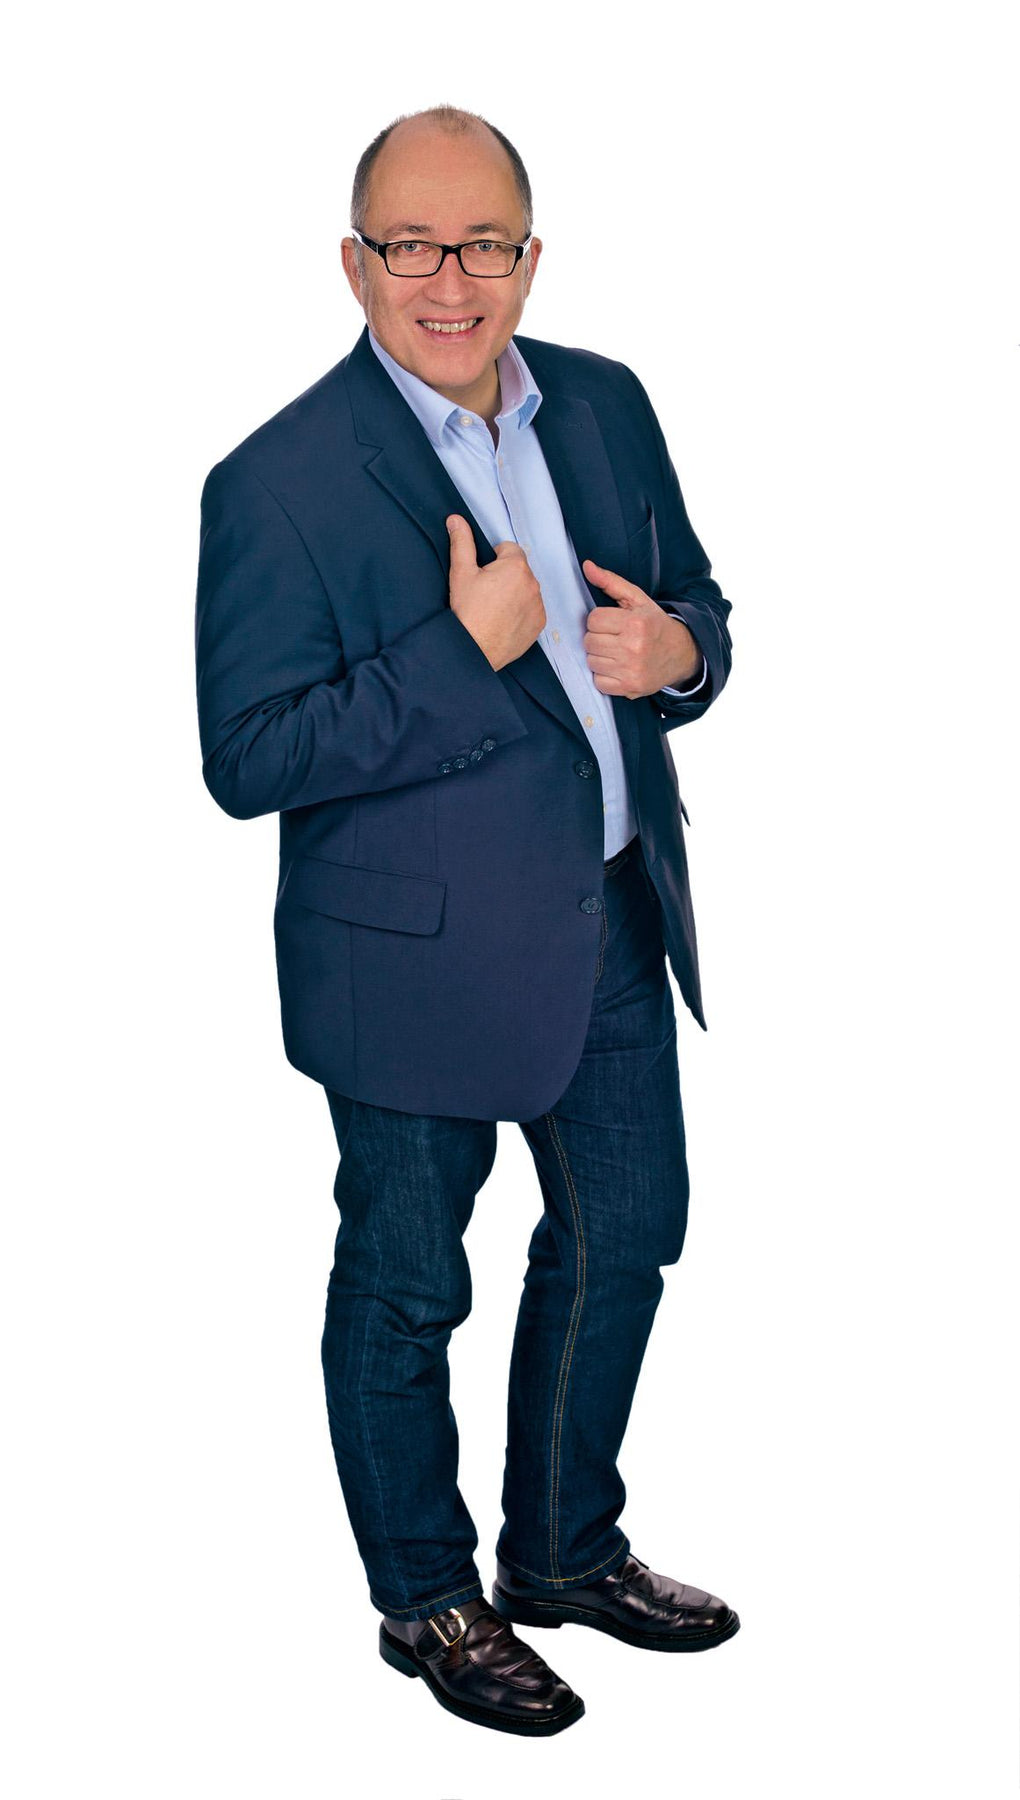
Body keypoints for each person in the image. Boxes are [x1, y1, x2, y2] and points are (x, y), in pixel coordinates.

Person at [194, 104, 738, 1738]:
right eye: (413, 246)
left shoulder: (607, 403)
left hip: (609, 912)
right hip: (410, 963)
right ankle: (426, 1599)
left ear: (530, 256)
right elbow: (248, 756)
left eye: (483, 243)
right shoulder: (274, 481)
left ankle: (563, 1551)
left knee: (627, 1237)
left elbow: (698, 605)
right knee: (407, 1286)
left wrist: (681, 659)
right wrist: (462, 650)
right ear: (354, 265)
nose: (451, 281)